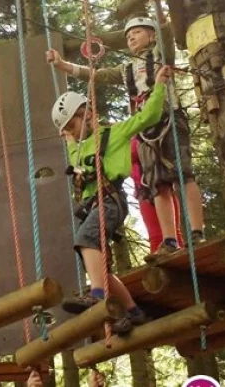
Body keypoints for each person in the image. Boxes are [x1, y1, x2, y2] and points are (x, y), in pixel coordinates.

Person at [46, 0, 203, 260]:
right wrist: (63, 66)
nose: (131, 38)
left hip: (168, 120)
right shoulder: (126, 69)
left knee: (182, 175)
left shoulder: (161, 55)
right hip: (144, 129)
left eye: (137, 33)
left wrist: (156, 4)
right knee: (157, 185)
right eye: (128, 36)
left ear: (151, 35)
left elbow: (165, 32)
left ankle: (197, 232)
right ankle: (169, 239)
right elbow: (95, 75)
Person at [53, 64, 173, 334]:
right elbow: (77, 160)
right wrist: (71, 137)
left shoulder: (114, 134)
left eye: (74, 125)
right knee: (100, 267)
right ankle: (134, 311)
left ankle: (96, 296)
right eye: (68, 130)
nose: (73, 133)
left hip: (110, 201)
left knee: (86, 241)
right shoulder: (77, 148)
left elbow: (149, 115)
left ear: (87, 114)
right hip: (93, 205)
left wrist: (160, 86)